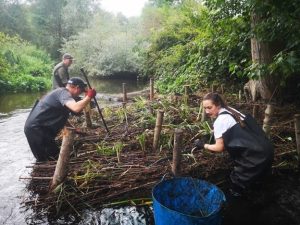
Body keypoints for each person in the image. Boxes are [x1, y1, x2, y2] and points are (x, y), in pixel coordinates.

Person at [194, 92, 274, 196]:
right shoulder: (230, 110)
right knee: (259, 185)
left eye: (210, 107)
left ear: (218, 104)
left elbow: (219, 148)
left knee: (237, 185)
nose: (207, 111)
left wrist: (203, 145)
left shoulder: (220, 121)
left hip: (255, 157)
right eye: (205, 108)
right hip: (267, 150)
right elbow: (236, 127)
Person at [24, 77, 96, 162]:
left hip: (42, 129)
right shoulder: (64, 93)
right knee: (46, 159)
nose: (79, 94)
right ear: (76, 88)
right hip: (37, 129)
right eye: (81, 91)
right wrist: (88, 97)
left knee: (54, 155)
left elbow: (61, 117)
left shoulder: (61, 93)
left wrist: (73, 129)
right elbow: (76, 108)